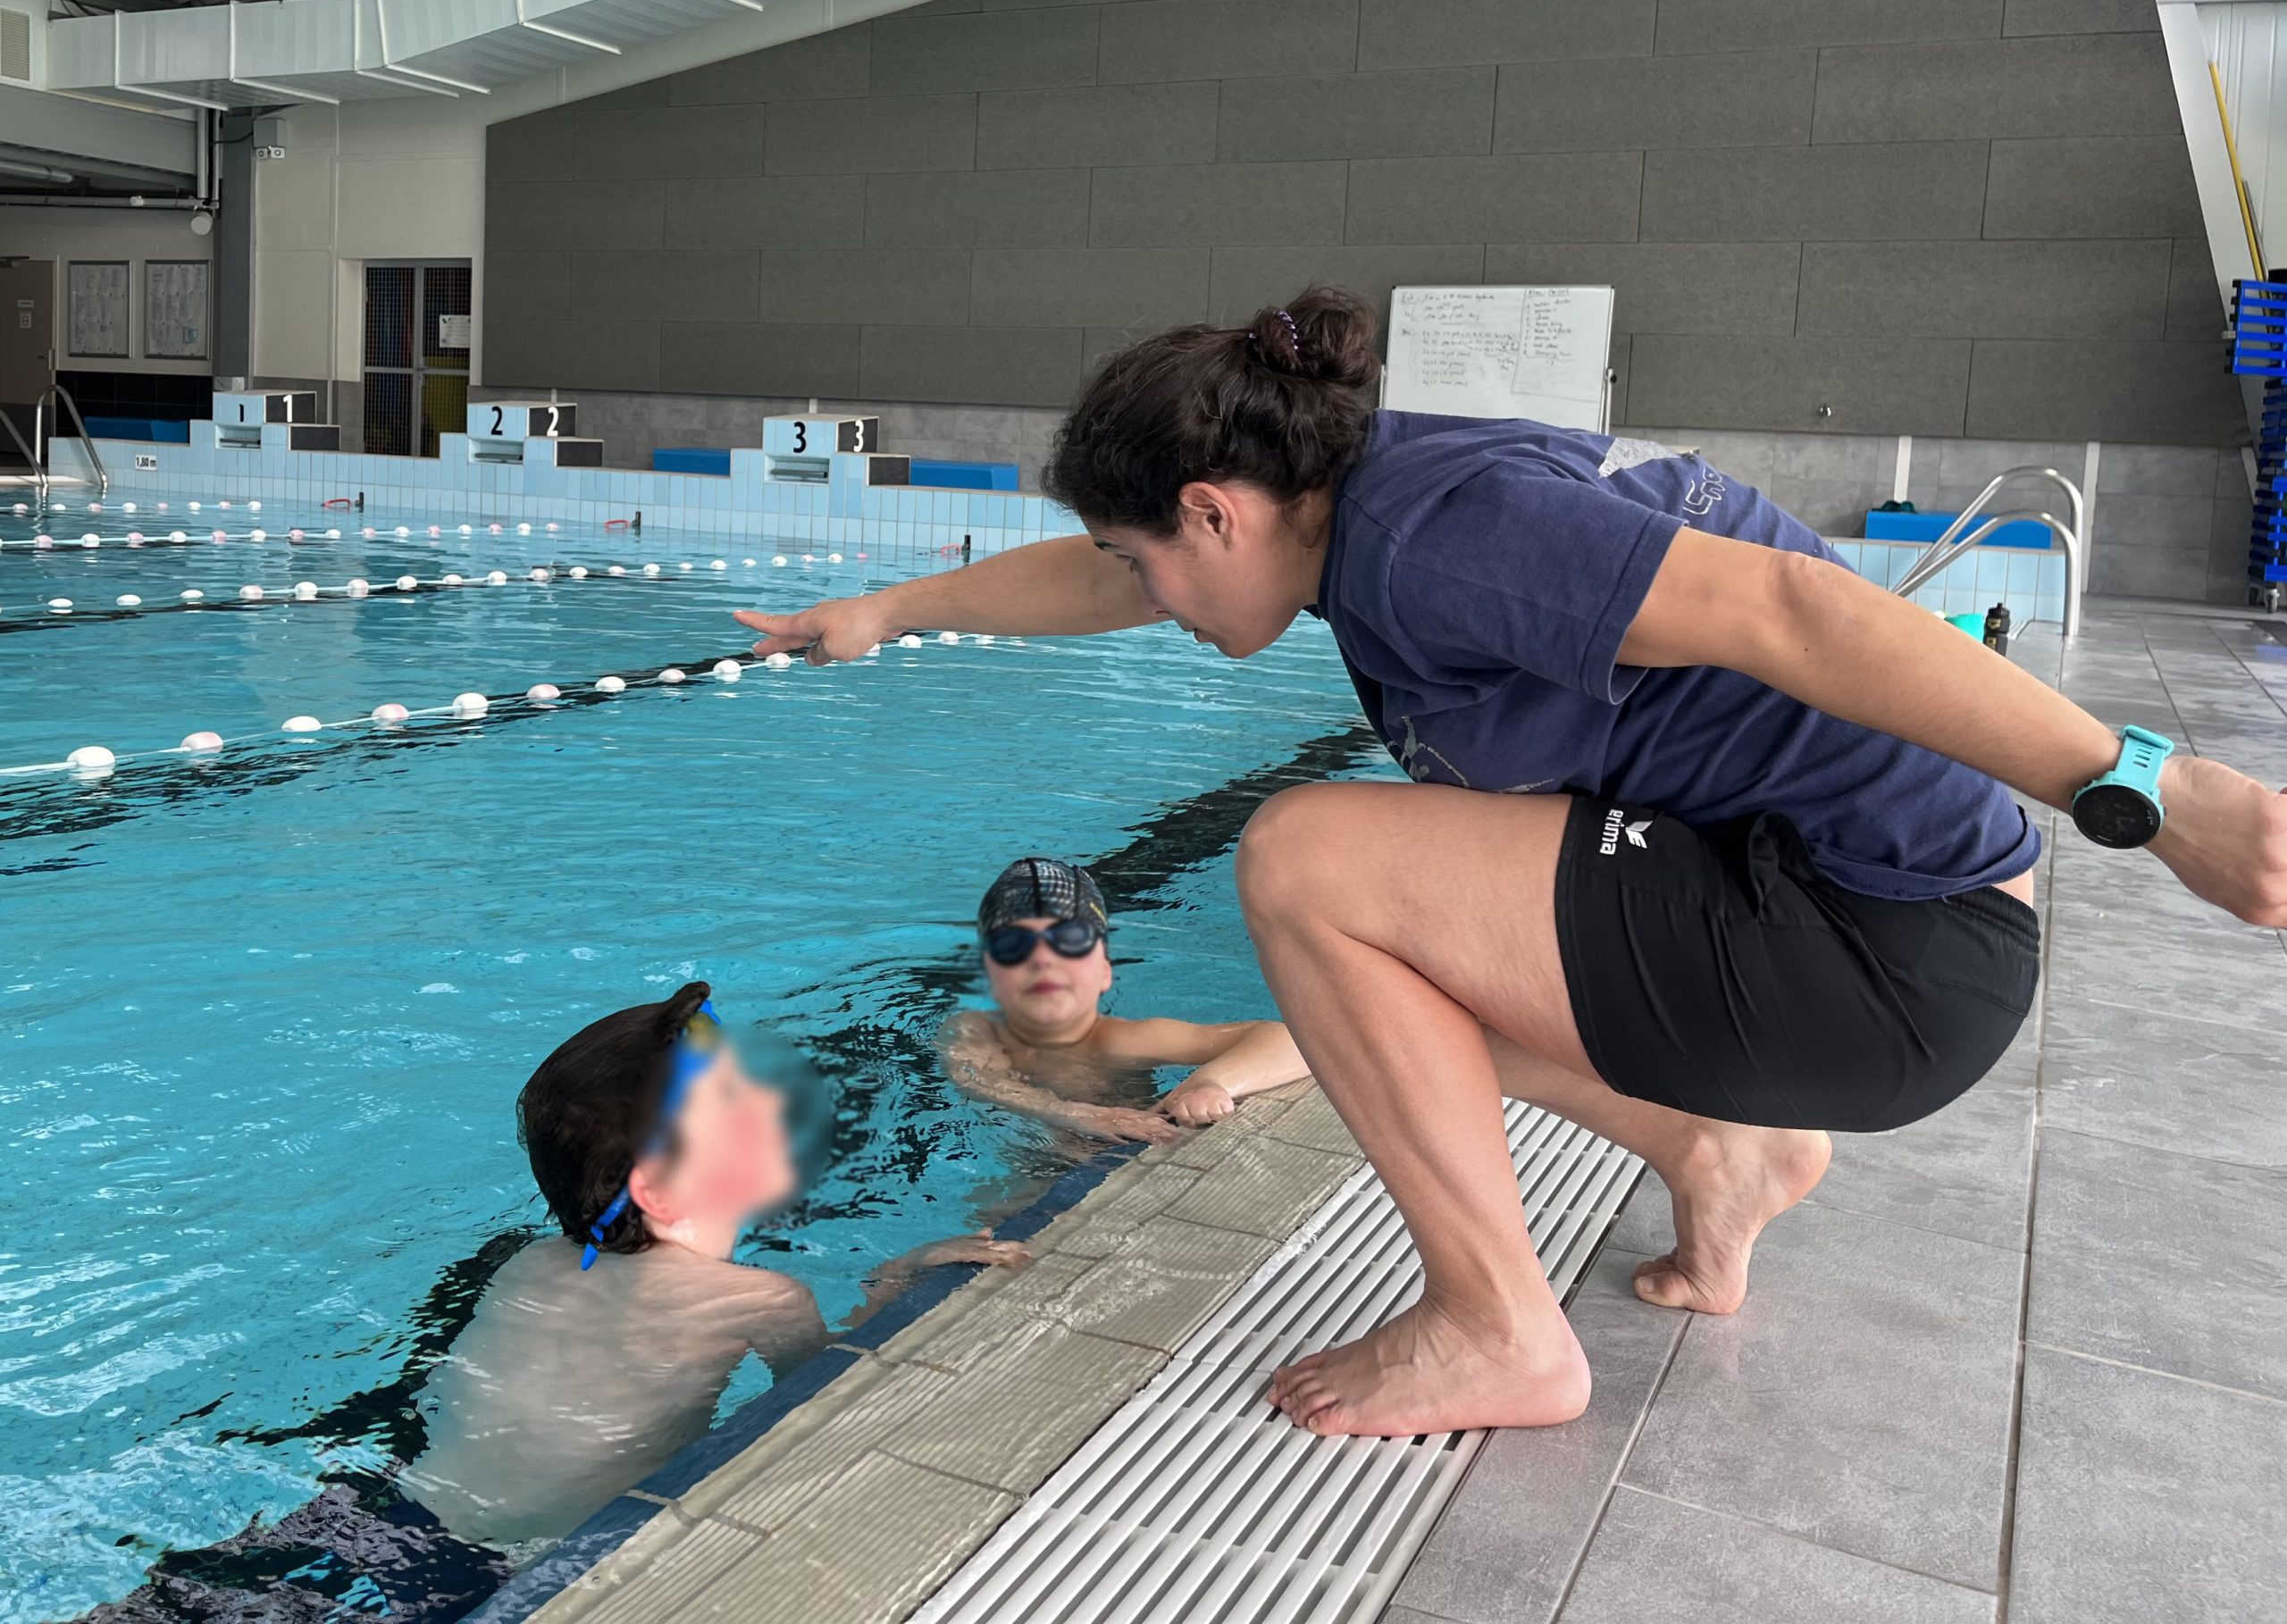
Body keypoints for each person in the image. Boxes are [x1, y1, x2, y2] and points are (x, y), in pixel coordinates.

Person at [734, 287, 2287, 1441]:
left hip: (1889, 953)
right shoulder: (1364, 492)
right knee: (1397, 959)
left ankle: (1500, 1329)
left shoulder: (1437, 539)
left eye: (1151, 560)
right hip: (1858, 930)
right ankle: (1712, 1150)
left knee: (1308, 865)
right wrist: (896, 610)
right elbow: (1097, 569)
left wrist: (2152, 786)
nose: (1145, 592)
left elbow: (1803, 617)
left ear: (1214, 511)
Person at [401, 982, 1027, 1544]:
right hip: (523, 1571)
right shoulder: (764, 1300)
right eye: (731, 1098)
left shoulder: (533, 1263)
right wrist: (900, 1278)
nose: (765, 1097)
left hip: (390, 1514)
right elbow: (828, 1394)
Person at [941, 857, 1310, 1143]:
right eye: (1014, 946)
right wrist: (1074, 1113)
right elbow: (975, 1078)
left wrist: (1210, 1081)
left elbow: (1294, 1043)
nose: (1043, 959)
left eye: (1068, 942)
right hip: (1036, 1176)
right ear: (990, 972)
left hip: (1130, 1159)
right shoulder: (976, 1029)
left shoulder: (1122, 1041)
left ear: (1104, 971)